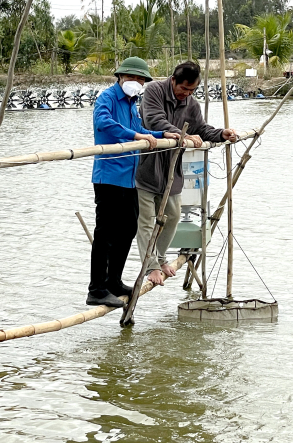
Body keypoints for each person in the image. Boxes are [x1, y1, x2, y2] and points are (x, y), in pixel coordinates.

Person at [87, 57, 180, 307]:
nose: (136, 82)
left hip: (129, 178)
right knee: (105, 233)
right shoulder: (107, 98)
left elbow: (140, 128)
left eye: (141, 79)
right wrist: (135, 135)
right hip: (109, 176)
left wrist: (161, 134)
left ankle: (113, 281)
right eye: (132, 77)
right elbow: (104, 123)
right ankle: (96, 288)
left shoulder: (131, 103)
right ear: (120, 77)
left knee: (128, 230)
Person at [135, 61, 238, 286]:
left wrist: (221, 134)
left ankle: (161, 258)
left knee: (172, 216)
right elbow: (154, 120)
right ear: (173, 80)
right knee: (145, 221)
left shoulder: (191, 104)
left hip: (172, 169)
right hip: (145, 166)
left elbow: (200, 128)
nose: (187, 94)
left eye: (192, 90)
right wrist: (182, 136)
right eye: (184, 89)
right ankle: (150, 265)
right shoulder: (154, 91)